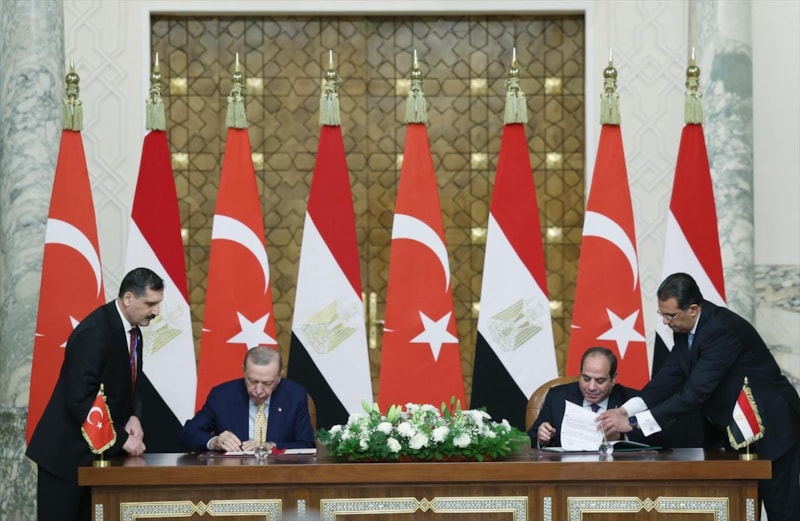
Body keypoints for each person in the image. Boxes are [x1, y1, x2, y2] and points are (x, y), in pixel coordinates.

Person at [598, 272, 800, 521]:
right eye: (662, 314)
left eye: (670, 315)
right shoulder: (684, 329)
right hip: (737, 430)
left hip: (771, 424)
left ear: (692, 309)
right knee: (741, 505)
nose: (665, 322)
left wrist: (634, 423)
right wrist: (625, 410)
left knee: (781, 508)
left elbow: (693, 394)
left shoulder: (720, 330)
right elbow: (667, 378)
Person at [26, 267, 164, 521]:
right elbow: (80, 397)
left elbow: (132, 383)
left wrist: (134, 416)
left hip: (99, 458)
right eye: (150, 304)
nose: (156, 312)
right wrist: (122, 439)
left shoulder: (133, 331)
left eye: (158, 304)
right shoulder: (95, 332)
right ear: (128, 298)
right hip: (68, 457)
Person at [179, 346, 315, 452]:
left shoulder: (295, 395)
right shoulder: (222, 395)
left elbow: (306, 445)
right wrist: (215, 442)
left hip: (280, 473)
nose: (258, 391)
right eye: (252, 381)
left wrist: (271, 446)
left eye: (267, 383)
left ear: (279, 376)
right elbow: (187, 434)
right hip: (233, 472)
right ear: (244, 371)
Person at [529, 347, 646, 448]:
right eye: (586, 378)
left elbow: (654, 439)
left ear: (613, 378)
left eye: (600, 381)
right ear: (580, 372)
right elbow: (530, 439)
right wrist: (541, 439)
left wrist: (621, 436)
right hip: (567, 466)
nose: (591, 387)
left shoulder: (633, 400)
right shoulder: (557, 397)